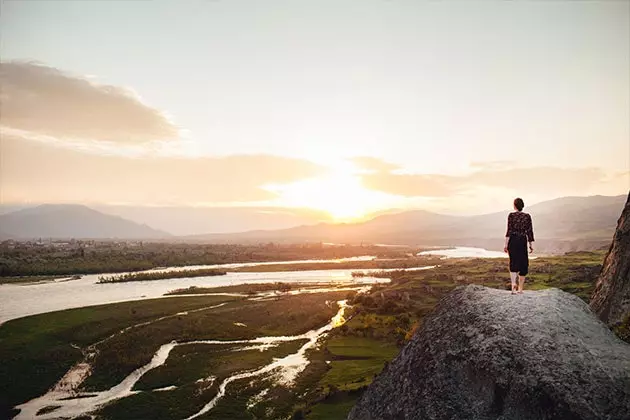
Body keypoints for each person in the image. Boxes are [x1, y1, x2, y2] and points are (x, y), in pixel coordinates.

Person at [503, 197, 534, 294]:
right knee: (523, 263)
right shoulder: (527, 216)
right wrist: (530, 245)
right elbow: (530, 232)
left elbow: (509, 231)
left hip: (513, 240)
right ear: (522, 206)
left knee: (513, 262)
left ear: (514, 206)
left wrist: (506, 244)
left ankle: (513, 286)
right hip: (522, 241)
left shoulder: (511, 216)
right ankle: (520, 288)